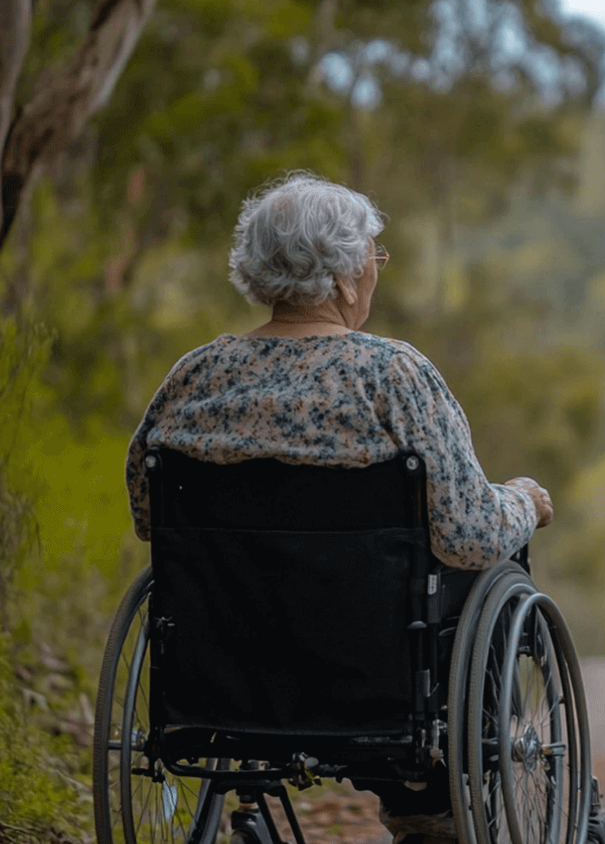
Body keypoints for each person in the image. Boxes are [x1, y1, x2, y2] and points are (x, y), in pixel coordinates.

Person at [124, 171, 553, 844]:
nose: (375, 272)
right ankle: (425, 800)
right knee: (485, 572)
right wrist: (524, 501)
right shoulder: (394, 376)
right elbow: (469, 533)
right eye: (374, 258)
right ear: (350, 273)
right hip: (372, 676)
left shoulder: (193, 376)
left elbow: (154, 521)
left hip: (223, 674)